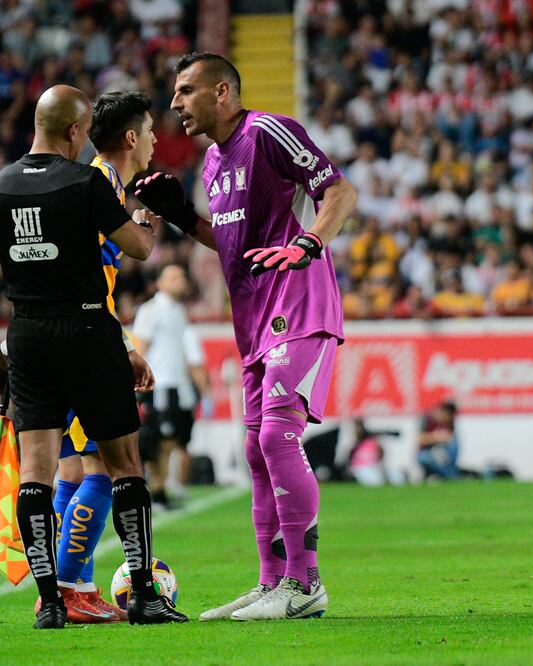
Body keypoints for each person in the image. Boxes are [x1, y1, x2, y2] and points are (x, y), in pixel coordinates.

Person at [136, 52, 357, 621]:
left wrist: (309, 244)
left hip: (300, 304)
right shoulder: (212, 160)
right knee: (257, 452)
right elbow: (230, 243)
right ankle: (271, 582)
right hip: (253, 321)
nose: (176, 104)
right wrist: (184, 217)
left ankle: (305, 585)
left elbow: (339, 192)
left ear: (223, 92)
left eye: (186, 91)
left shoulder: (268, 131)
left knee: (278, 439)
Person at [0, 84, 186, 629]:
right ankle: (139, 593)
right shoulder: (89, 181)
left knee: (39, 475)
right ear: (73, 131)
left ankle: (53, 603)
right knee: (122, 468)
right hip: (88, 328)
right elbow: (137, 250)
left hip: (27, 336)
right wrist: (145, 220)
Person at [45, 90, 159, 623]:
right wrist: (123, 344)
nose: (159, 139)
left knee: (71, 466)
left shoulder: (94, 182)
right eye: (152, 130)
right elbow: (102, 275)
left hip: (60, 335)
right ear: (132, 138)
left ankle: (77, 583)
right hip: (86, 337)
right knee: (102, 466)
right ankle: (68, 587)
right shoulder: (99, 183)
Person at [132, 263, 210, 507]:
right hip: (159, 385)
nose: (180, 281)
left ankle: (160, 490)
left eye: (182, 276)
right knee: (156, 441)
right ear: (160, 283)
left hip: (175, 385)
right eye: (173, 277)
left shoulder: (177, 311)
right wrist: (136, 383)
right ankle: (155, 491)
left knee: (171, 441)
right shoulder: (151, 310)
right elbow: (140, 345)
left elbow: (184, 353)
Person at [417, 401, 460, 480]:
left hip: (443, 452)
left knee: (454, 443)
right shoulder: (427, 419)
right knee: (425, 458)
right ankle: (451, 476)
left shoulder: (450, 422)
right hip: (428, 452)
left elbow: (452, 437)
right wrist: (436, 437)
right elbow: (420, 440)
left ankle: (449, 473)